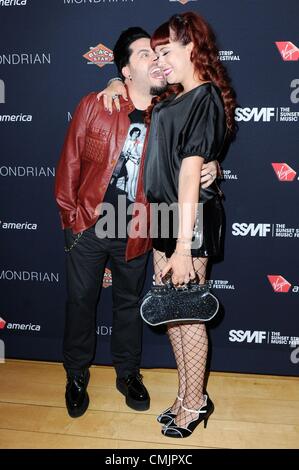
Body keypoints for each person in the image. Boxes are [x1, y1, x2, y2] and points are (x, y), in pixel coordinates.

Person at [55, 26, 219, 419]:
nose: (157, 60)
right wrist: (72, 220)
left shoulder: (168, 109)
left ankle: (127, 373)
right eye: (146, 54)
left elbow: (190, 159)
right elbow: (69, 164)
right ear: (126, 70)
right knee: (81, 303)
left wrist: (212, 165)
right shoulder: (96, 104)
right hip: (92, 225)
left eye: (160, 53)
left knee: (128, 305)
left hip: (140, 227)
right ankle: (76, 375)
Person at [144, 12, 237, 438]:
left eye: (165, 51)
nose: (159, 60)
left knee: (189, 316)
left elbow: (188, 173)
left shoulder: (203, 97)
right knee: (174, 314)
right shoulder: (176, 97)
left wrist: (183, 248)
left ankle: (196, 401)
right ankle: (186, 395)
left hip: (190, 219)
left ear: (191, 47)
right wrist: (113, 81)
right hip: (165, 214)